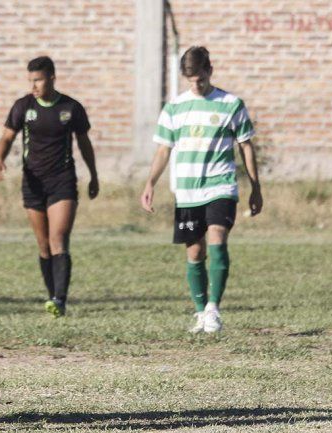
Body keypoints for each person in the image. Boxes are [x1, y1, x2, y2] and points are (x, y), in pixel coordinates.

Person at [140, 46, 263, 333]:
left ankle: (213, 309)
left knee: (218, 237)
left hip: (221, 185)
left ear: (210, 70)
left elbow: (245, 146)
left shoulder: (231, 104)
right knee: (195, 252)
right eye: (191, 80)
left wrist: (256, 187)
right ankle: (200, 311)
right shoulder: (174, 108)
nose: (196, 85)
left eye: (201, 79)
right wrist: (150, 183)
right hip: (187, 190)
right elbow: (163, 150)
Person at [0, 56, 99, 317]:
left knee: (58, 239)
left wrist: (94, 175)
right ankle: (52, 296)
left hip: (62, 181)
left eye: (38, 80)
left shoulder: (71, 107)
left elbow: (84, 143)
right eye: (30, 81)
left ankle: (60, 300)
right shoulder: (23, 106)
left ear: (52, 77)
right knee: (43, 245)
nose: (34, 86)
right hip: (33, 183)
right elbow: (7, 137)